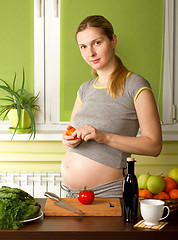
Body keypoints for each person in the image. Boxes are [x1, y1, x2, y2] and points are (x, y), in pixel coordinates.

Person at [61, 15, 162, 198]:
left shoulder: (135, 85)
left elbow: (154, 146)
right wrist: (68, 139)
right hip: (70, 194)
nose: (90, 52)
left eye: (97, 43)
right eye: (83, 46)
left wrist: (103, 137)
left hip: (106, 194)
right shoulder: (85, 89)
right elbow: (71, 130)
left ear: (113, 40)